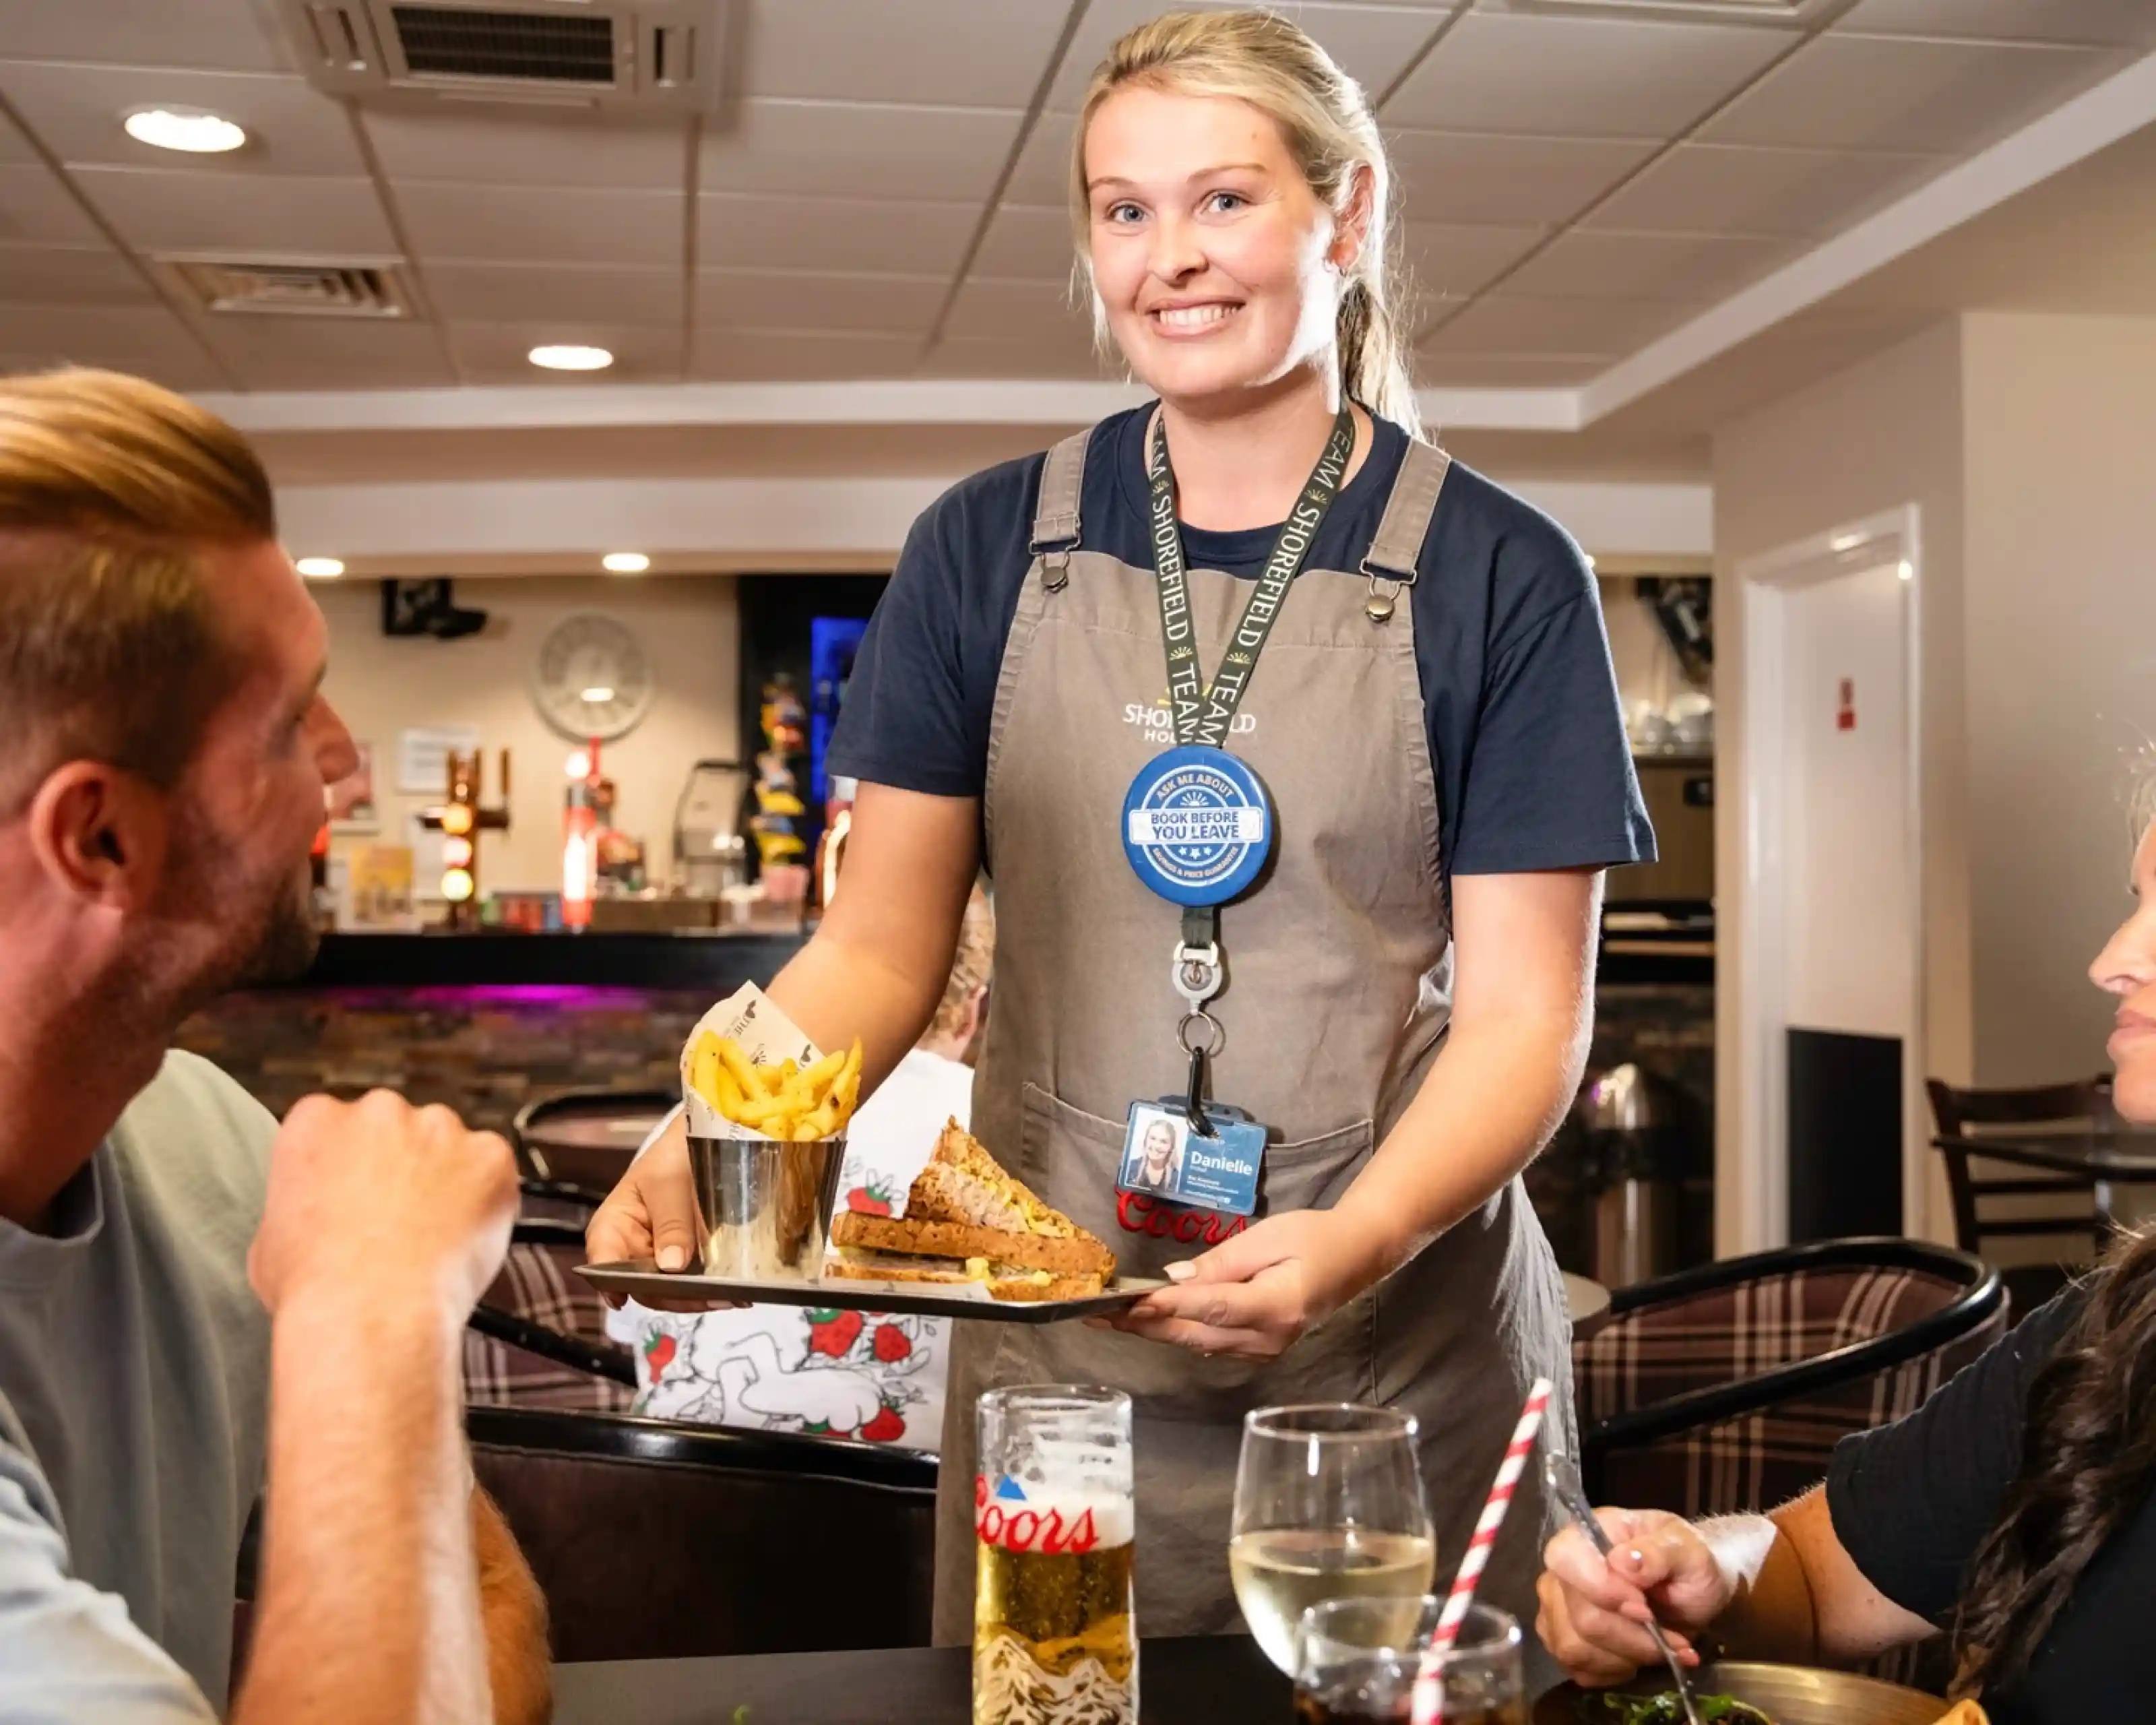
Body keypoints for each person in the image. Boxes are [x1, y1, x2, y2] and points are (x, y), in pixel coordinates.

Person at [590, 9, 1651, 1644]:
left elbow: (1526, 1018)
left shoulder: (1497, 571)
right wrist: (710, 1140)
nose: (1171, 258)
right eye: (1125, 209)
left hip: (1397, 1358)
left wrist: (1358, 1234)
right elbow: (877, 945)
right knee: (1053, 1695)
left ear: (1346, 215)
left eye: (1224, 200)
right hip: (1060, 1358)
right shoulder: (982, 546)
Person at [0, 366, 548, 1722]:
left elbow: (489, 1609)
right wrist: (370, 1306)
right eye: (287, 718)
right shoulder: (308, 1211)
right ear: (103, 837)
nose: (347, 765)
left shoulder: (203, 1132)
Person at [1537, 801, 2156, 1721]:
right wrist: (1707, 1572)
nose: (2111, 958)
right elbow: (1818, 1573)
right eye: (2137, 899)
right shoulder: (2121, 1325)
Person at [618, 885, 994, 1450]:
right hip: (901, 1515)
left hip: (662, 1492)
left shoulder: (688, 1124)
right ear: (974, 1011)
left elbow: (626, 1327)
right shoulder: (987, 1125)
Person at [1124, 1114, 1186, 1195]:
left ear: (1171, 1147)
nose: (1156, 1146)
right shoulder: (1130, 1168)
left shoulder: (1177, 1179)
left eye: (1163, 1142)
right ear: (1146, 1140)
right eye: (1153, 1138)